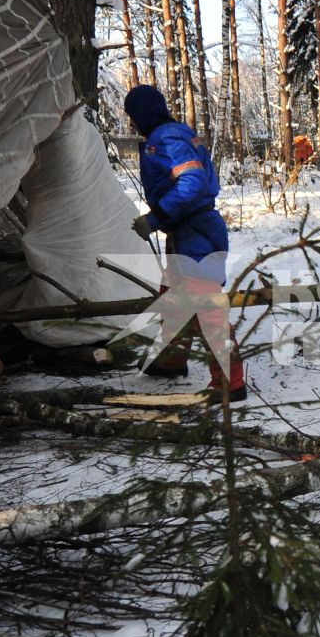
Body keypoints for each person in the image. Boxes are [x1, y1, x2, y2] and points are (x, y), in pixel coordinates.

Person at [125, 84, 246, 401]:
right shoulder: (171, 135)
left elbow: (193, 183)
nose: (132, 124)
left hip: (197, 233)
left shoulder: (166, 138)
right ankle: (171, 360)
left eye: (132, 117)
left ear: (141, 115)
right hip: (187, 231)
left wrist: (156, 217)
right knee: (174, 297)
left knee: (207, 309)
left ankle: (230, 382)